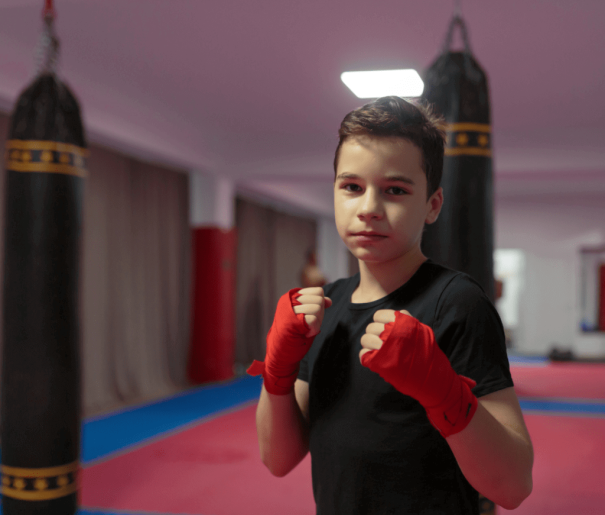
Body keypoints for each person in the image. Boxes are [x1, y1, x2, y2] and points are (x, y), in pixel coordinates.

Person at [248, 96, 533, 514]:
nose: (368, 209)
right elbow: (277, 459)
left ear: (432, 205)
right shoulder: (325, 308)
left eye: (395, 190)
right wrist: (276, 372)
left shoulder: (456, 303)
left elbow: (513, 487)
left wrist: (443, 392)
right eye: (352, 187)